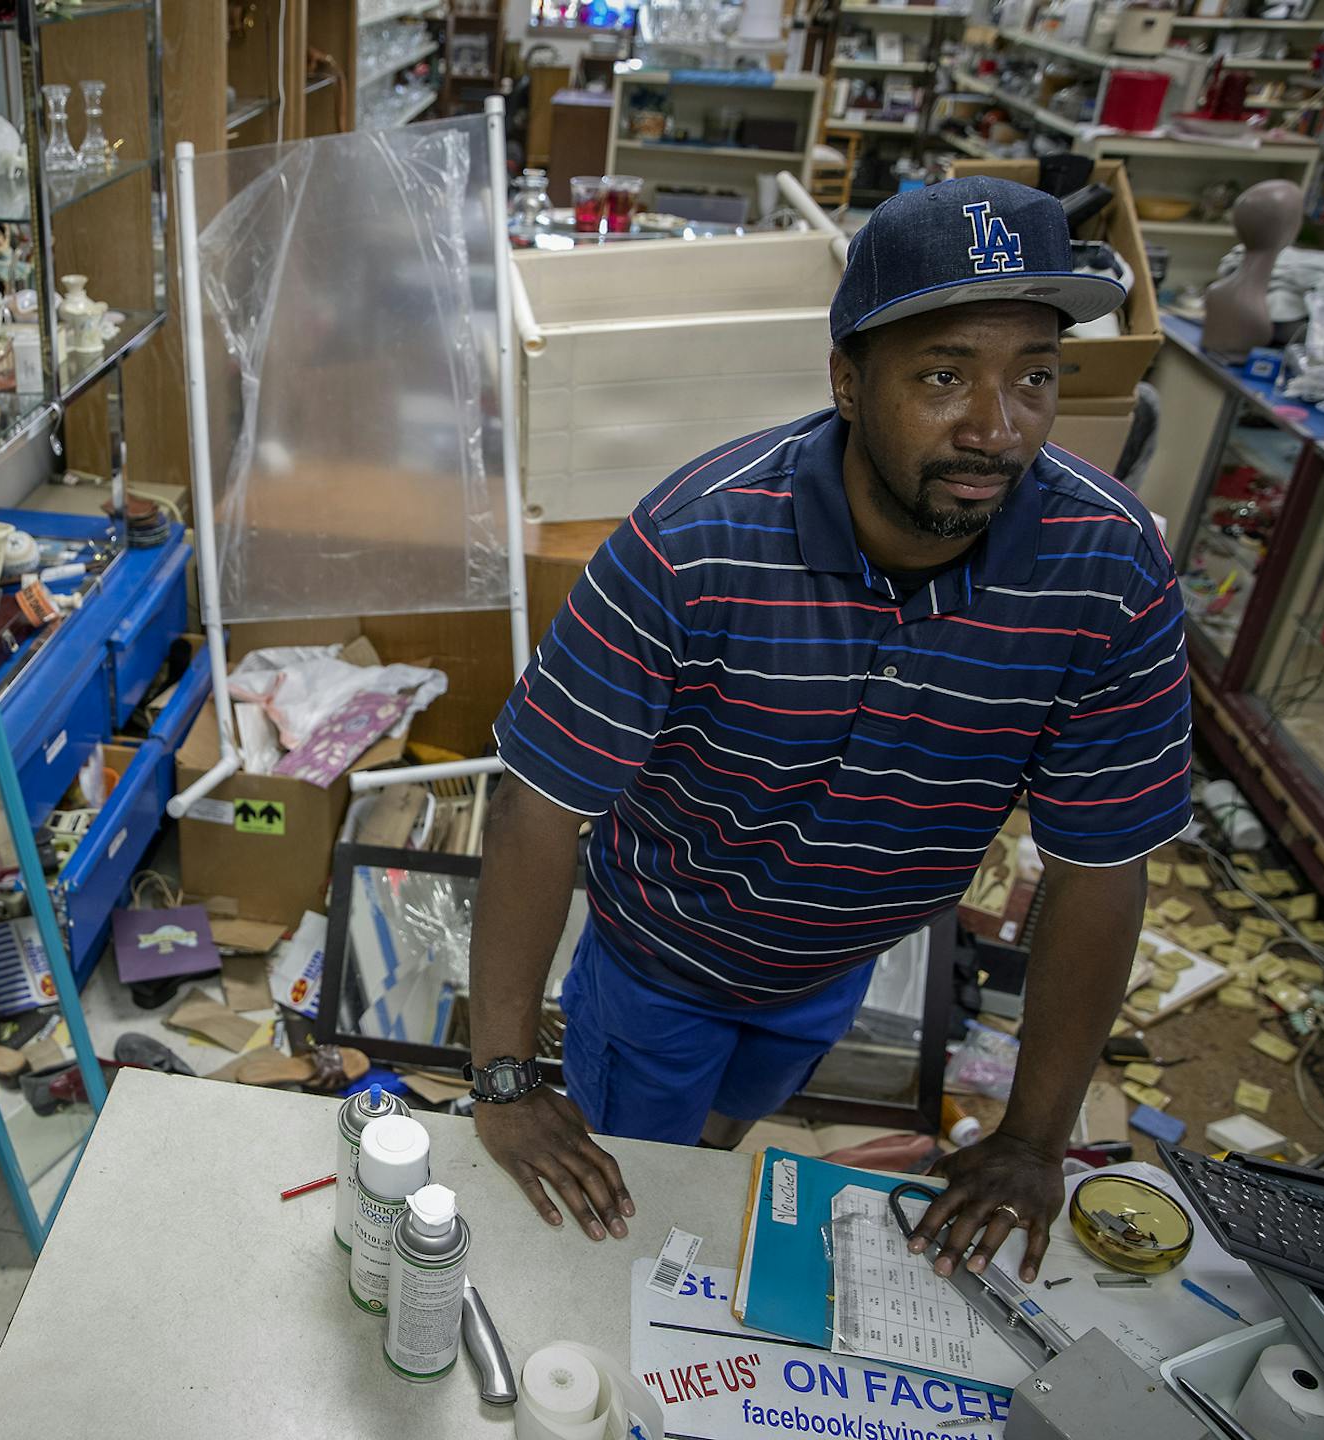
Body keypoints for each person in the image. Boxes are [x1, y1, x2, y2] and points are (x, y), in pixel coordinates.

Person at [466, 177, 1189, 1286]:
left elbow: (1101, 865)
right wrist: (509, 1082)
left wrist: (1035, 1141)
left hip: (832, 970)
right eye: (945, 375)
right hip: (662, 960)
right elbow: (538, 805)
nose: (997, 429)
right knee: (619, 1211)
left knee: (718, 1142)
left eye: (1034, 378)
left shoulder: (1110, 568)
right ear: (848, 381)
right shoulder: (693, 547)